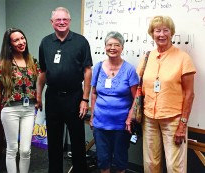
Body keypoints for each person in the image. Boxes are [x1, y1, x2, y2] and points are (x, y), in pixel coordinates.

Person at [127, 16, 196, 173]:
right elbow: (140, 89)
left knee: (175, 167)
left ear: (172, 33)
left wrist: (183, 124)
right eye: (157, 30)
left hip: (174, 120)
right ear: (152, 33)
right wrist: (132, 113)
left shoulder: (183, 58)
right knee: (150, 163)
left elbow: (189, 94)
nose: (161, 34)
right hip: (149, 118)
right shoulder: (147, 57)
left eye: (166, 30)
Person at [36, 7, 93, 173]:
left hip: (74, 97)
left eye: (64, 20)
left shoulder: (81, 41)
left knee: (77, 139)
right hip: (53, 97)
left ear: (69, 21)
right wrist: (39, 95)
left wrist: (85, 99)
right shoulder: (45, 42)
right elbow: (43, 73)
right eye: (58, 20)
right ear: (52, 22)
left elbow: (87, 70)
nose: (61, 22)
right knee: (53, 141)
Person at [90, 31, 139, 173]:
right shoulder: (98, 68)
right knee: (103, 160)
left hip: (121, 125)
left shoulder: (129, 70)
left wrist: (130, 118)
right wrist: (92, 116)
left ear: (122, 48)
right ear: (105, 47)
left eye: (116, 45)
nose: (112, 47)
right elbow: (94, 94)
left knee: (120, 161)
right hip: (100, 124)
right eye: (109, 44)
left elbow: (136, 97)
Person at [0, 28, 41, 173]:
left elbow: (39, 82)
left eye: (22, 38)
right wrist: (0, 111)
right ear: (9, 44)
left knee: (26, 150)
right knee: (12, 148)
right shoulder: (4, 64)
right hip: (10, 110)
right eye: (16, 40)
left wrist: (39, 98)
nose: (21, 42)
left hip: (29, 109)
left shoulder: (32, 61)